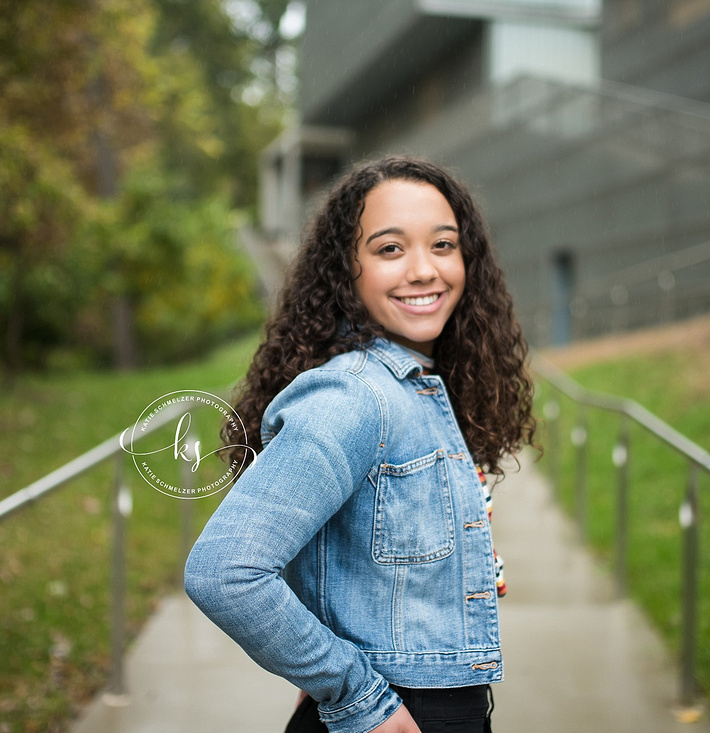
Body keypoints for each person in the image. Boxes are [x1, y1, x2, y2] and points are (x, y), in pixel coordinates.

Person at [184, 156, 537, 733]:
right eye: (390, 249)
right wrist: (354, 695)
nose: (424, 270)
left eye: (443, 245)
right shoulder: (356, 398)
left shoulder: (418, 386)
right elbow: (224, 570)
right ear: (347, 270)